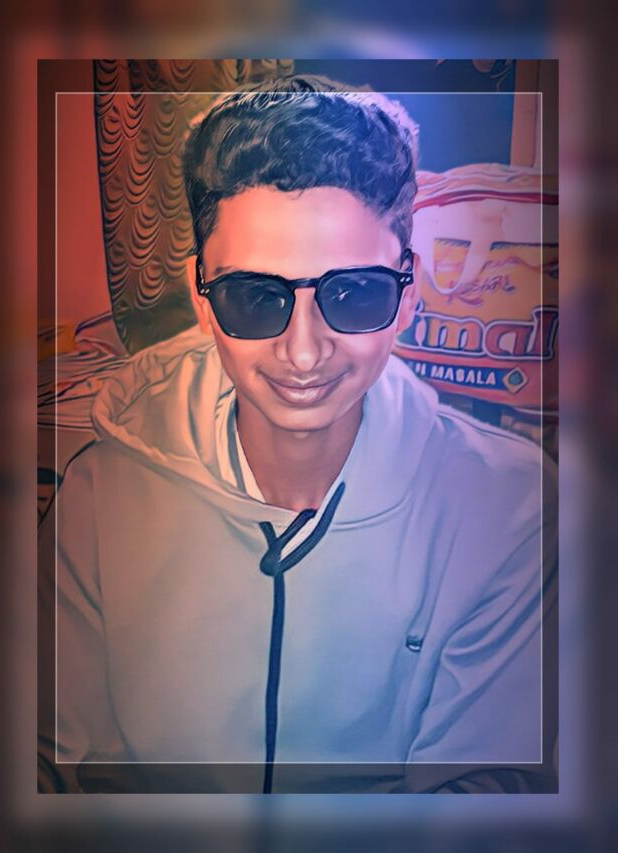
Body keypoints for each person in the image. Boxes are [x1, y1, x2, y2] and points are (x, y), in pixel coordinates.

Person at [38, 75, 557, 794]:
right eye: (256, 296)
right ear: (201, 299)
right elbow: (42, 760)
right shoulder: (100, 493)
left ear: (407, 294)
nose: (304, 352)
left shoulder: (509, 508)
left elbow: (487, 791)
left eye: (354, 293)